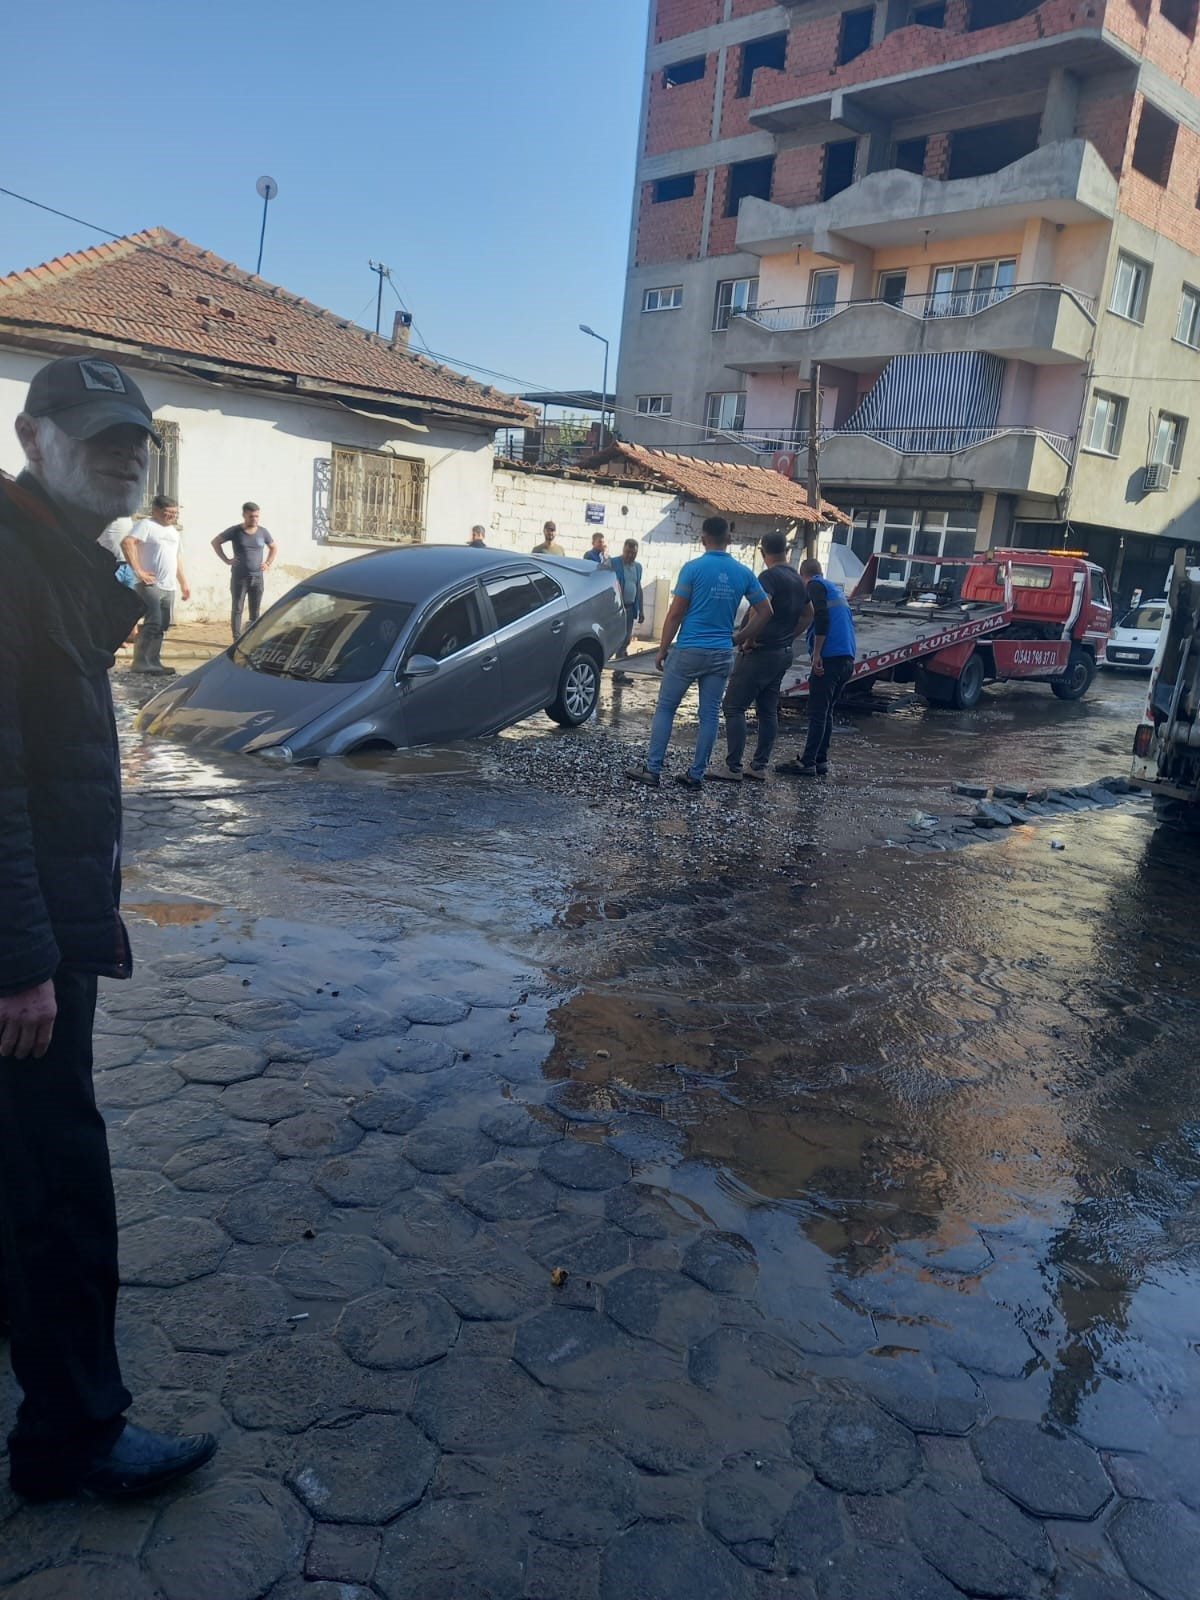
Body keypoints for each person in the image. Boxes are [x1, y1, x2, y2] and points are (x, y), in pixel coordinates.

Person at [0, 354, 217, 1500]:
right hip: (23, 957)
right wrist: (25, 960)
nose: (123, 453)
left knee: (20, 1178)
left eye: (135, 437)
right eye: (94, 435)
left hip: (34, 935)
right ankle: (73, 1439)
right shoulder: (9, 562)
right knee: (60, 1192)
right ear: (34, 438)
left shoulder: (46, 555)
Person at [626, 516, 772, 790]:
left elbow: (676, 613)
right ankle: (696, 775)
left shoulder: (693, 569)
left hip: (689, 650)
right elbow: (766, 611)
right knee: (709, 714)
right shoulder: (743, 573)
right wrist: (740, 637)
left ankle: (653, 769)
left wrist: (662, 648)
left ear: (703, 538)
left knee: (667, 708)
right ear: (729, 539)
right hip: (721, 654)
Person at [710, 530, 807, 782]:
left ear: (763, 552)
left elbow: (761, 610)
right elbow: (810, 613)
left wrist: (746, 639)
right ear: (785, 550)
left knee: (733, 706)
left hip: (761, 652)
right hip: (782, 653)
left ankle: (732, 768)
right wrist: (790, 636)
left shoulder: (769, 576)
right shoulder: (797, 578)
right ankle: (759, 765)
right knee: (767, 710)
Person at [776, 557, 858, 777]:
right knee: (826, 711)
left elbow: (820, 616)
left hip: (830, 658)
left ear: (804, 576)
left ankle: (808, 762)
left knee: (817, 713)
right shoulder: (834, 589)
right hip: (847, 658)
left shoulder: (814, 586)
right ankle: (820, 760)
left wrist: (817, 654)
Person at [122, 494, 188, 675]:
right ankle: (140, 661)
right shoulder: (146, 525)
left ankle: (154, 661)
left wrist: (183, 583)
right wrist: (138, 571)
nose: (172, 516)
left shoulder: (173, 532)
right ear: (156, 511)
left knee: (163, 624)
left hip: (169, 586)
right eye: (168, 513)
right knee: (154, 621)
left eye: (175, 513)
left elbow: (176, 559)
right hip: (150, 584)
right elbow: (127, 543)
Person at [212, 501, 276, 637]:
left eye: (257, 516)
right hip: (240, 577)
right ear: (244, 515)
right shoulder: (235, 531)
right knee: (237, 609)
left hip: (257, 577)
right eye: (251, 516)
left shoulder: (263, 532)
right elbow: (215, 542)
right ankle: (236, 638)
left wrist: (268, 563)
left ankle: (251, 639)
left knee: (255, 610)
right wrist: (226, 560)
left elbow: (273, 547)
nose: (254, 519)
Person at [609, 538, 645, 685]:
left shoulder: (638, 567)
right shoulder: (613, 563)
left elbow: (638, 587)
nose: (630, 555)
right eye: (628, 552)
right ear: (623, 549)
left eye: (633, 553)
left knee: (625, 641)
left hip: (630, 609)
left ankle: (619, 673)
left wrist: (641, 610)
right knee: (611, 639)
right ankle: (600, 668)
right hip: (615, 609)